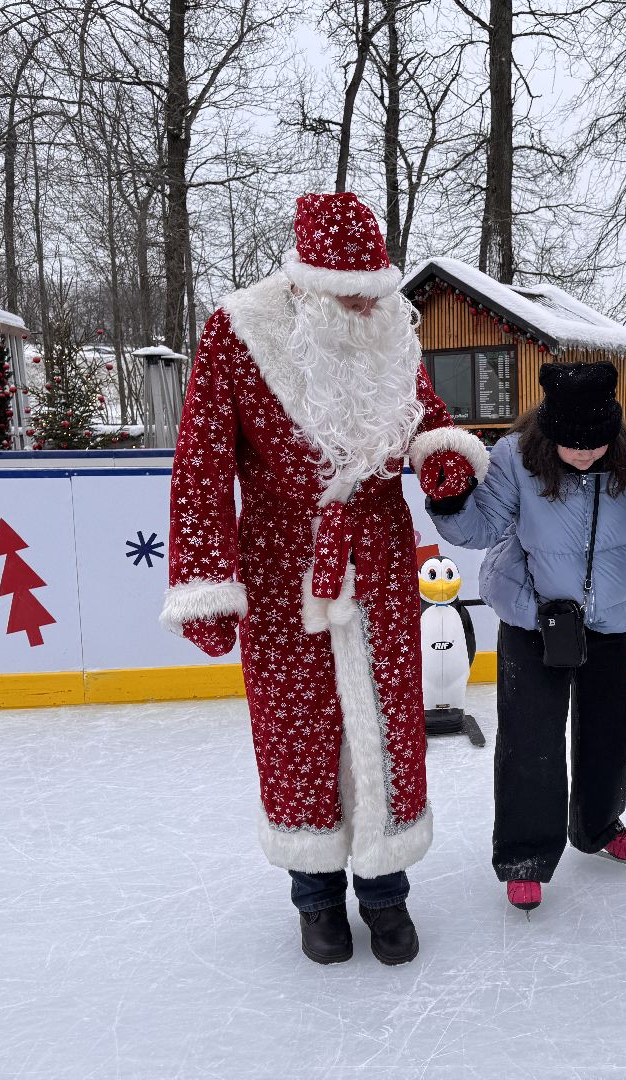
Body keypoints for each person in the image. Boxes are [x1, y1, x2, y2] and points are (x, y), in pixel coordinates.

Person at [161, 192, 489, 966]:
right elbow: (202, 464)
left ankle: (385, 892)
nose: (362, 302)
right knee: (296, 731)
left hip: (376, 557)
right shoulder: (238, 332)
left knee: (387, 724)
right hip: (282, 565)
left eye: (373, 288)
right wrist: (208, 582)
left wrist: (441, 455)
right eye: (347, 289)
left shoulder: (389, 328)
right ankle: (315, 897)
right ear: (306, 283)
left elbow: (426, 414)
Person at [429, 361, 626, 914]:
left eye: (595, 446)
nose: (584, 455)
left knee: (607, 732)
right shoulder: (514, 456)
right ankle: (526, 853)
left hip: (610, 618)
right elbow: (481, 529)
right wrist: (450, 504)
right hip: (533, 617)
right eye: (572, 446)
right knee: (530, 741)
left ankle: (598, 826)